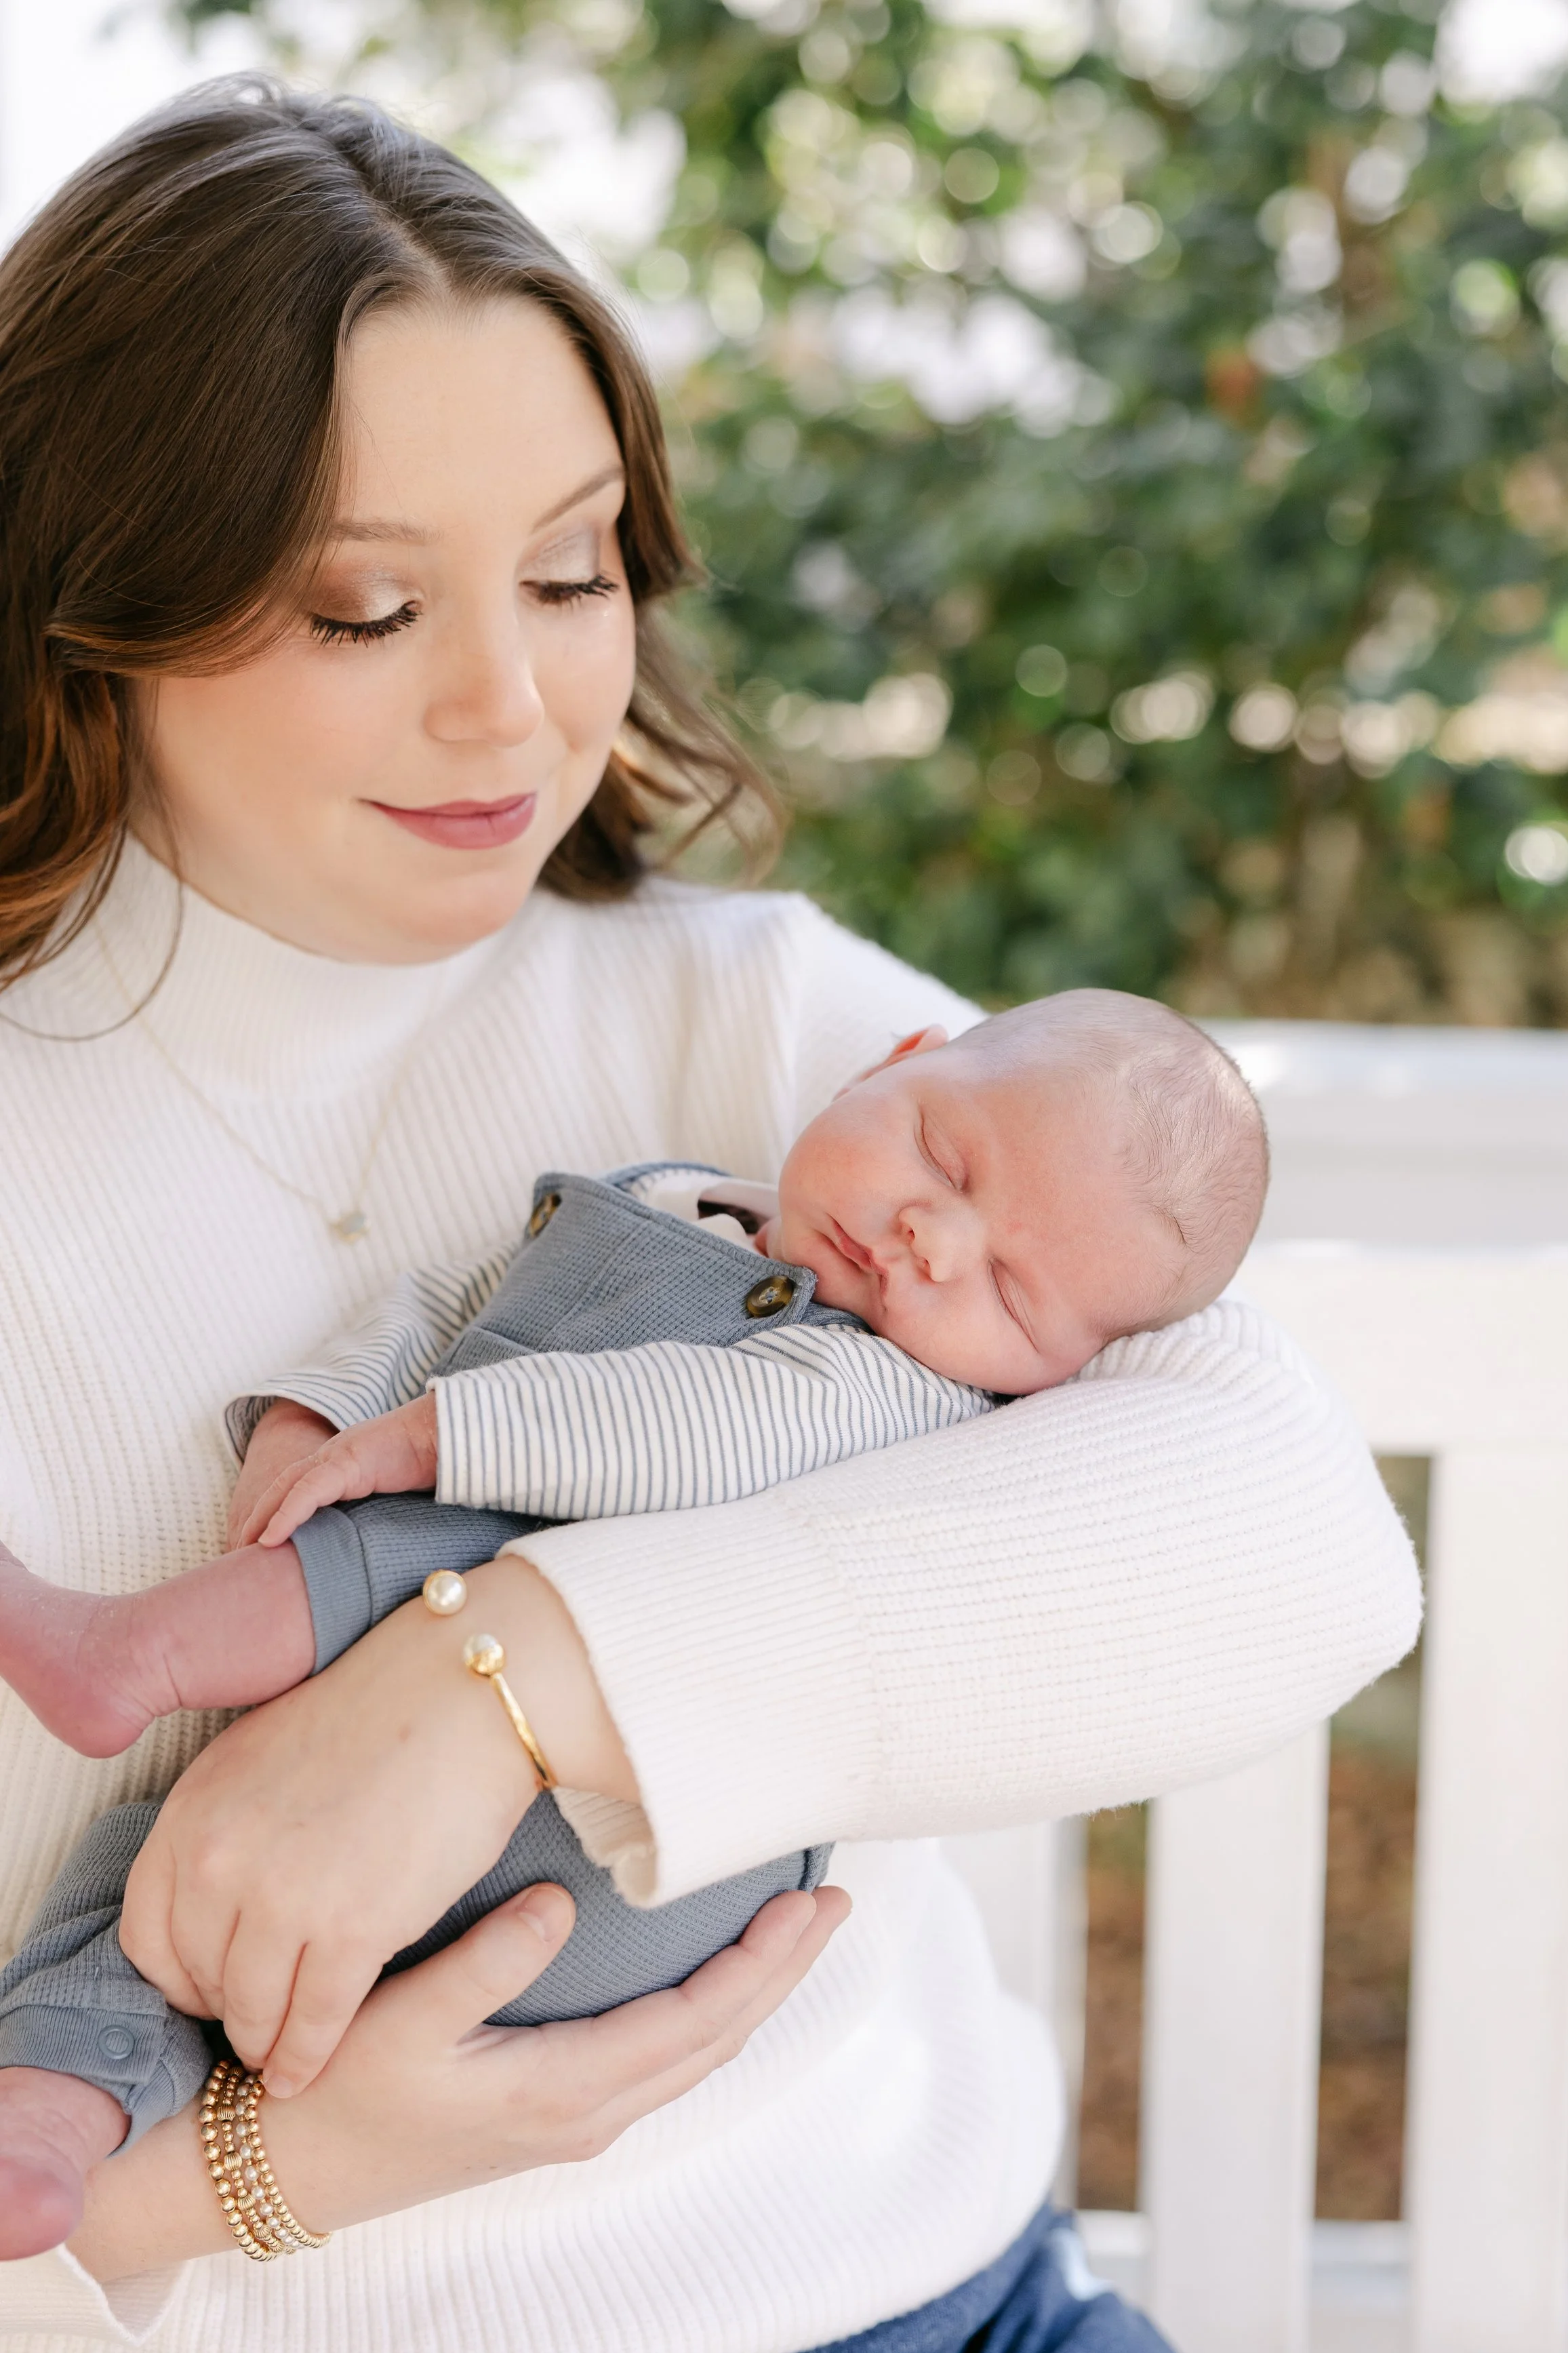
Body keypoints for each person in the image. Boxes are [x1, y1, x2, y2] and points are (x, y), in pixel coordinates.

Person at [0, 77, 1420, 2353]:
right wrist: (257, 2178)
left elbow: (1298, 1533)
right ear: (97, 598)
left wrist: (513, 1683)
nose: (511, 701)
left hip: (953, 2300)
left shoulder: (768, 1028)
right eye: (366, 606)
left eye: (573, 572)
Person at [0, 991, 1270, 2247]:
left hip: (607, 1872)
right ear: (886, 1060)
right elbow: (449, 1306)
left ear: (1065, 1373)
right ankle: (51, 2119)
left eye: (1012, 1290)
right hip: (344, 1859)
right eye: (944, 1154)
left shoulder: (892, 1384)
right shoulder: (663, 1195)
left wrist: (431, 1439)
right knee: (153, 1875)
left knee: (405, 1558)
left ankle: (127, 1653)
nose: (935, 1239)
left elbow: (687, 1422)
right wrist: (317, 1415)